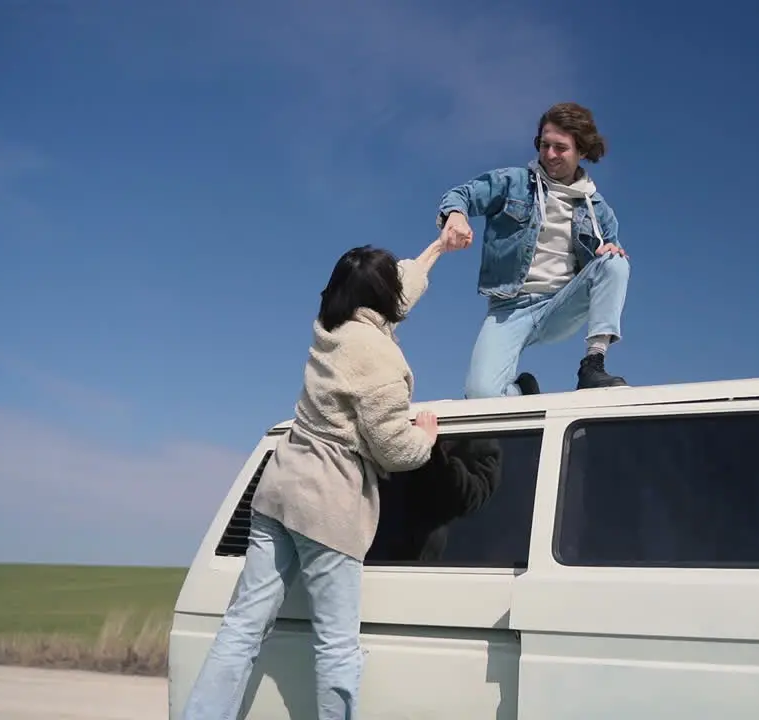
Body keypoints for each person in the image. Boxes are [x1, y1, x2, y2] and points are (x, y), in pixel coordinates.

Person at [182, 237, 459, 720]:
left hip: (278, 491)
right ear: (380, 299)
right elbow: (393, 450)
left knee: (242, 627)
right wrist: (428, 438)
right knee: (336, 646)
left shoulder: (331, 327)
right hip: (327, 506)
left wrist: (438, 248)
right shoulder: (379, 357)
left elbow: (401, 289)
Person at [435, 101, 631, 398]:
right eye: (544, 145)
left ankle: (593, 364)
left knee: (616, 262)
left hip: (560, 305)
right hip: (509, 308)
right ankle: (523, 392)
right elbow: (460, 195)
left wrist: (608, 253)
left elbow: (605, 270)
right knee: (480, 396)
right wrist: (456, 215)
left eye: (560, 148)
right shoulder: (513, 183)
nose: (550, 155)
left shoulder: (599, 211)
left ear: (582, 151)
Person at [366, 435, 504, 564]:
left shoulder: (479, 431)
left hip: (412, 561)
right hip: (362, 538)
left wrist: (430, 447)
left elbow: (466, 496)